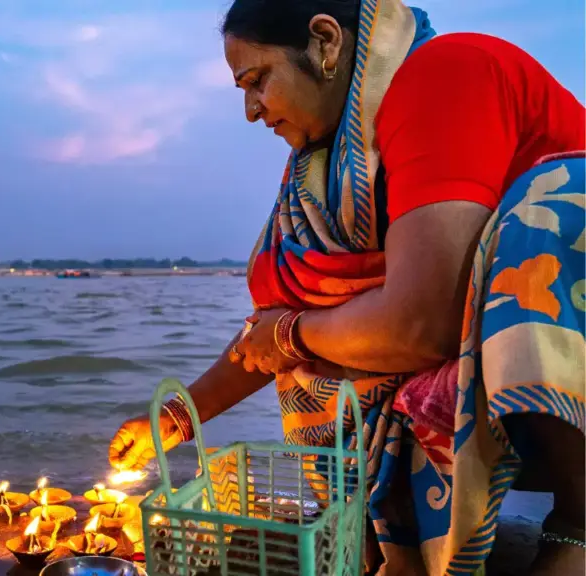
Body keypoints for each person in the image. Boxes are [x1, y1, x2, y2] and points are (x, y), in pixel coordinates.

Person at [108, 1, 584, 574]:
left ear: (326, 42)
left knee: (537, 233)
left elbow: (421, 322)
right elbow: (277, 328)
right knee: (324, 342)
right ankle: (392, 529)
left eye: (257, 81)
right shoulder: (325, 171)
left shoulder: (445, 75)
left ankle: (577, 522)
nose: (251, 111)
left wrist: (292, 335)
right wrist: (177, 419)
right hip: (488, 369)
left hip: (557, 340)